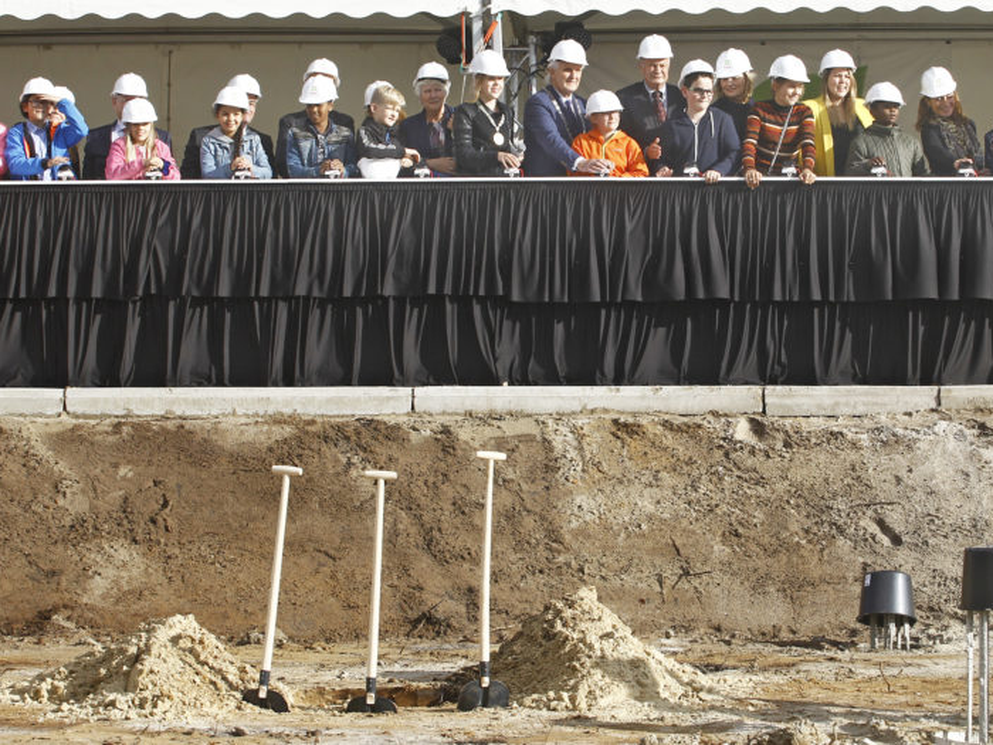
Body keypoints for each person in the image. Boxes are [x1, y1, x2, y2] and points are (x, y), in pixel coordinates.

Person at [523, 39, 605, 177]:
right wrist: (580, 163)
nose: (574, 76)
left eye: (578, 70)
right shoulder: (538, 103)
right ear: (551, 71)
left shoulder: (583, 104)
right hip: (547, 185)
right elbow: (550, 138)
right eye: (568, 70)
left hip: (579, 184)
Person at [741, 55, 817, 190]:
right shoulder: (759, 109)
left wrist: (807, 169)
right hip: (758, 181)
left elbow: (808, 144)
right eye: (792, 86)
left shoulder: (804, 112)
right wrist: (750, 169)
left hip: (790, 182)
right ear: (775, 85)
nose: (797, 92)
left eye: (800, 86)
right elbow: (749, 143)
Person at [658, 60, 740, 183]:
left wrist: (718, 170)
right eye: (698, 90)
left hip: (713, 190)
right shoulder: (672, 124)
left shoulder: (723, 120)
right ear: (685, 92)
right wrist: (662, 168)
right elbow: (662, 158)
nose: (705, 95)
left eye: (709, 91)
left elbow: (734, 152)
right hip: (681, 192)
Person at [181, 74, 274, 180]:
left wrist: (251, 169)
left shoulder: (260, 140)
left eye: (251, 103)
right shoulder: (202, 137)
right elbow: (189, 177)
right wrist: (230, 168)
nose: (247, 108)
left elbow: (269, 176)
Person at [616, 34, 685, 173]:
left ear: (669, 65)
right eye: (652, 65)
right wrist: (646, 151)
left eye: (662, 65)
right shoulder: (624, 98)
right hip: (641, 176)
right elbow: (617, 140)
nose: (658, 70)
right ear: (641, 66)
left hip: (679, 175)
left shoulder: (682, 96)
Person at [276, 58, 355, 178]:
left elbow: (354, 166)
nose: (314, 110)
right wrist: (318, 171)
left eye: (318, 104)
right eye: (310, 104)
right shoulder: (292, 126)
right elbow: (288, 168)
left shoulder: (345, 126)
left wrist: (342, 170)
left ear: (330, 103)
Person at [83, 73, 171, 180]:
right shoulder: (95, 137)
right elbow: (87, 180)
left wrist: (163, 167)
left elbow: (173, 176)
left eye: (139, 100)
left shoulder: (162, 138)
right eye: (129, 100)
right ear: (114, 101)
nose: (134, 106)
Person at [803, 49, 873, 177]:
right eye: (837, 76)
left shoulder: (864, 107)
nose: (843, 81)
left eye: (847, 76)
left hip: (860, 184)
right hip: (826, 185)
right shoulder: (810, 108)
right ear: (826, 78)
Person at [453, 49, 521, 176]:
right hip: (476, 185)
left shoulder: (507, 111)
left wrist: (516, 156)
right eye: (491, 79)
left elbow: (508, 148)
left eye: (500, 78)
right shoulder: (465, 111)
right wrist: (496, 156)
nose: (496, 83)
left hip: (503, 181)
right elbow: (464, 155)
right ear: (479, 81)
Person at [6, 77, 88, 181]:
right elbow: (15, 165)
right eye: (36, 102)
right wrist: (45, 163)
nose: (41, 106)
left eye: (45, 102)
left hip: (57, 192)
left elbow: (81, 130)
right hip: (27, 193)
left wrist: (61, 102)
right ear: (25, 107)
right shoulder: (16, 133)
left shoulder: (60, 131)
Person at [843, 82, 929, 177]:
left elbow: (922, 175)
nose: (892, 110)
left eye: (896, 106)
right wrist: (867, 165)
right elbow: (850, 174)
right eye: (886, 106)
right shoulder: (861, 142)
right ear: (872, 110)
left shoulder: (911, 143)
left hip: (907, 192)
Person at [917, 66, 983, 176]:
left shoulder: (969, 124)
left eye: (949, 97)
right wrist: (955, 162)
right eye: (938, 99)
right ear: (928, 102)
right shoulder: (929, 127)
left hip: (974, 184)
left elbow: (978, 153)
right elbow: (936, 151)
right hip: (949, 187)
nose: (945, 103)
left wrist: (983, 168)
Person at [569, 90, 646, 178]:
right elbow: (572, 173)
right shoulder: (581, 143)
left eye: (615, 112)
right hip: (589, 191)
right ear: (593, 118)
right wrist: (591, 172)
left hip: (621, 191)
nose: (612, 117)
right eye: (606, 113)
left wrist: (617, 179)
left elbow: (641, 173)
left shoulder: (628, 144)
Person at [200, 86, 272, 180]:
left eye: (236, 114)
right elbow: (207, 175)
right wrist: (230, 168)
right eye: (225, 114)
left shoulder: (253, 139)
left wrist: (251, 168)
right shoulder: (208, 142)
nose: (231, 119)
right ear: (218, 115)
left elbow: (268, 173)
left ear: (242, 116)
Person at [398, 62, 456, 176]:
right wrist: (429, 163)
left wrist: (458, 131)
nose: (433, 95)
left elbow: (471, 156)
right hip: (422, 190)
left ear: (446, 93)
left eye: (438, 90)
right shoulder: (408, 126)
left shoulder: (461, 118)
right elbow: (402, 161)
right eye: (427, 91)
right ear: (419, 95)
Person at [105, 99, 179, 180]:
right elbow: (112, 175)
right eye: (136, 124)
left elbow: (176, 177)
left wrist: (162, 166)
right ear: (128, 126)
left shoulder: (161, 147)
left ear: (151, 125)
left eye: (145, 124)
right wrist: (142, 163)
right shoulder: (119, 146)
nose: (140, 128)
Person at [356, 83, 419, 178]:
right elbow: (369, 150)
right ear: (374, 108)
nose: (394, 114)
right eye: (390, 109)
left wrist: (408, 160)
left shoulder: (398, 133)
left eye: (397, 110)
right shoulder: (364, 131)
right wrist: (402, 152)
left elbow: (407, 155)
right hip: (369, 188)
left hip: (394, 188)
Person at [712, 47, 755, 142]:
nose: (729, 83)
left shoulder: (759, 110)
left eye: (734, 78)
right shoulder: (712, 113)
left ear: (746, 79)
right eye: (724, 78)